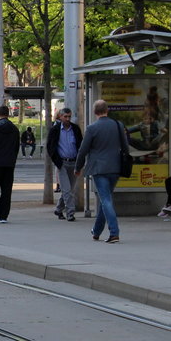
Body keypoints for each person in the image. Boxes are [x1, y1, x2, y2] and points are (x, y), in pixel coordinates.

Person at [75, 99, 129, 243]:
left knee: (105, 200)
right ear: (107, 110)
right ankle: (97, 231)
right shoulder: (118, 125)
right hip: (115, 168)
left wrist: (78, 167)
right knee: (106, 200)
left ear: (94, 112)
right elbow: (125, 147)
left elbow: (83, 150)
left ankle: (114, 232)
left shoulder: (92, 128)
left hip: (99, 169)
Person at [46, 107, 83, 221]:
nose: (67, 119)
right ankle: (70, 212)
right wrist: (57, 161)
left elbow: (81, 146)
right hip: (62, 163)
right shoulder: (55, 130)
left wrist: (80, 161)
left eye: (69, 117)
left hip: (74, 163)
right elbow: (50, 147)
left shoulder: (75, 129)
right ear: (60, 117)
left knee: (70, 190)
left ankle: (58, 209)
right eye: (65, 117)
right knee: (66, 190)